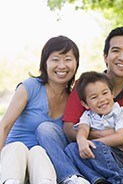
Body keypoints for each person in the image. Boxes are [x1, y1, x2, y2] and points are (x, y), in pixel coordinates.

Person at [36, 26, 123, 184]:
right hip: (83, 153)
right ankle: (72, 177)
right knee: (46, 130)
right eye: (115, 51)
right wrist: (91, 139)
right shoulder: (85, 85)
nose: (122, 57)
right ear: (105, 56)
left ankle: (94, 179)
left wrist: (94, 139)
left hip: (119, 160)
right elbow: (69, 128)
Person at [0, 35, 79, 184]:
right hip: (14, 160)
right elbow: (3, 126)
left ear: (76, 64)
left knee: (38, 152)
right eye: (55, 59)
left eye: (68, 59)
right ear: (45, 63)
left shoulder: (74, 99)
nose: (62, 66)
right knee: (17, 148)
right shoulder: (29, 87)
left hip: (44, 163)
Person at [65, 71, 123, 183]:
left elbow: (121, 137)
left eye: (105, 93)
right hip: (92, 156)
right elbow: (83, 128)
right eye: (94, 97)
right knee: (70, 148)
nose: (102, 99)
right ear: (85, 104)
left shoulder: (120, 112)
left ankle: (117, 178)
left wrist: (93, 143)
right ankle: (98, 180)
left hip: (114, 156)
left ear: (112, 93)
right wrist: (82, 140)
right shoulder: (88, 115)